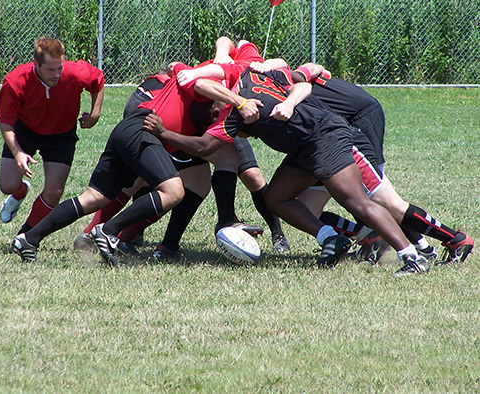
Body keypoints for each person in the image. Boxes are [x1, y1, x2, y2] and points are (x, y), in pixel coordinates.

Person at [143, 67, 432, 276]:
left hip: (325, 137)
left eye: (210, 105)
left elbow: (205, 147)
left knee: (357, 201)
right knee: (276, 197)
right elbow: (300, 82)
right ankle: (332, 238)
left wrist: (164, 132)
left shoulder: (233, 113)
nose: (210, 112)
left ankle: (411, 256)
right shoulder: (253, 75)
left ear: (220, 93)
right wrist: (288, 101)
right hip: (304, 146)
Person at [11, 61, 262, 264]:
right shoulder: (206, 83)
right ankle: (108, 231)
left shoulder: (223, 117)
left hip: (138, 132)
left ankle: (28, 239)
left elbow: (204, 146)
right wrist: (238, 101)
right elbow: (201, 81)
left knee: (93, 197)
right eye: (224, 106)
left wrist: (169, 133)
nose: (221, 113)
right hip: (140, 127)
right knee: (174, 190)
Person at [75, 37, 292, 259]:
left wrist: (270, 67)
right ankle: (97, 233)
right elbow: (227, 44)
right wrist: (222, 60)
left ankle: (165, 241)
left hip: (212, 120)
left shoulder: (271, 82)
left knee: (221, 174)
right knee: (145, 178)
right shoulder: (244, 65)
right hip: (157, 101)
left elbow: (286, 67)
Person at [288, 68, 474, 265]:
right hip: (324, 144)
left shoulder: (279, 78)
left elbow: (305, 72)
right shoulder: (273, 82)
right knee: (306, 209)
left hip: (349, 133)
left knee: (385, 202)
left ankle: (446, 242)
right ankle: (369, 235)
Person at [0, 37, 105, 235]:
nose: (56, 75)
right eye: (50, 70)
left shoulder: (75, 72)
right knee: (7, 185)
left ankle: (26, 235)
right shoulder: (16, 81)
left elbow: (98, 81)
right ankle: (20, 192)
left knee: (54, 192)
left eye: (59, 68)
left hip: (61, 134)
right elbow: (5, 121)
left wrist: (95, 115)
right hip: (25, 130)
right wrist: (18, 152)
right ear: (36, 64)